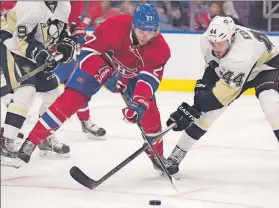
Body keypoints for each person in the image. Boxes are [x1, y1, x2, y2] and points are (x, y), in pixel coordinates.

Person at [12, 4, 172, 173]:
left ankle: (157, 156)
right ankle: (32, 141)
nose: (146, 35)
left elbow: (149, 79)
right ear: (133, 25)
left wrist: (138, 102)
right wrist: (105, 73)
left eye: (151, 31)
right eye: (141, 31)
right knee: (70, 100)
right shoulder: (115, 25)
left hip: (132, 76)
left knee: (150, 112)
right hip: (100, 63)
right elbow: (88, 52)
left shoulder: (161, 48)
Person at [165, 16, 279, 181]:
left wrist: (196, 108)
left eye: (221, 43)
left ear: (232, 38)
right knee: (206, 114)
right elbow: (211, 70)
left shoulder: (241, 55)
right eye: (213, 43)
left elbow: (219, 98)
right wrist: (197, 102)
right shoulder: (207, 40)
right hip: (238, 70)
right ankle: (176, 155)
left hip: (267, 68)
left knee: (272, 104)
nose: (216, 47)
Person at [0, 1, 77, 164]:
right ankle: (5, 142)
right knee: (26, 91)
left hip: (37, 49)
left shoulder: (64, 4)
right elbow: (20, 40)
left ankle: (45, 137)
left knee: (53, 95)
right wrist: (40, 54)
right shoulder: (30, 5)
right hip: (12, 47)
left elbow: (61, 29)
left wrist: (65, 43)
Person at [54, 1, 106, 140]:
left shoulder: (76, 3)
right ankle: (11, 131)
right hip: (37, 48)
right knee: (25, 92)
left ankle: (85, 120)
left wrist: (79, 31)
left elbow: (73, 21)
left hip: (60, 51)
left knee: (76, 85)